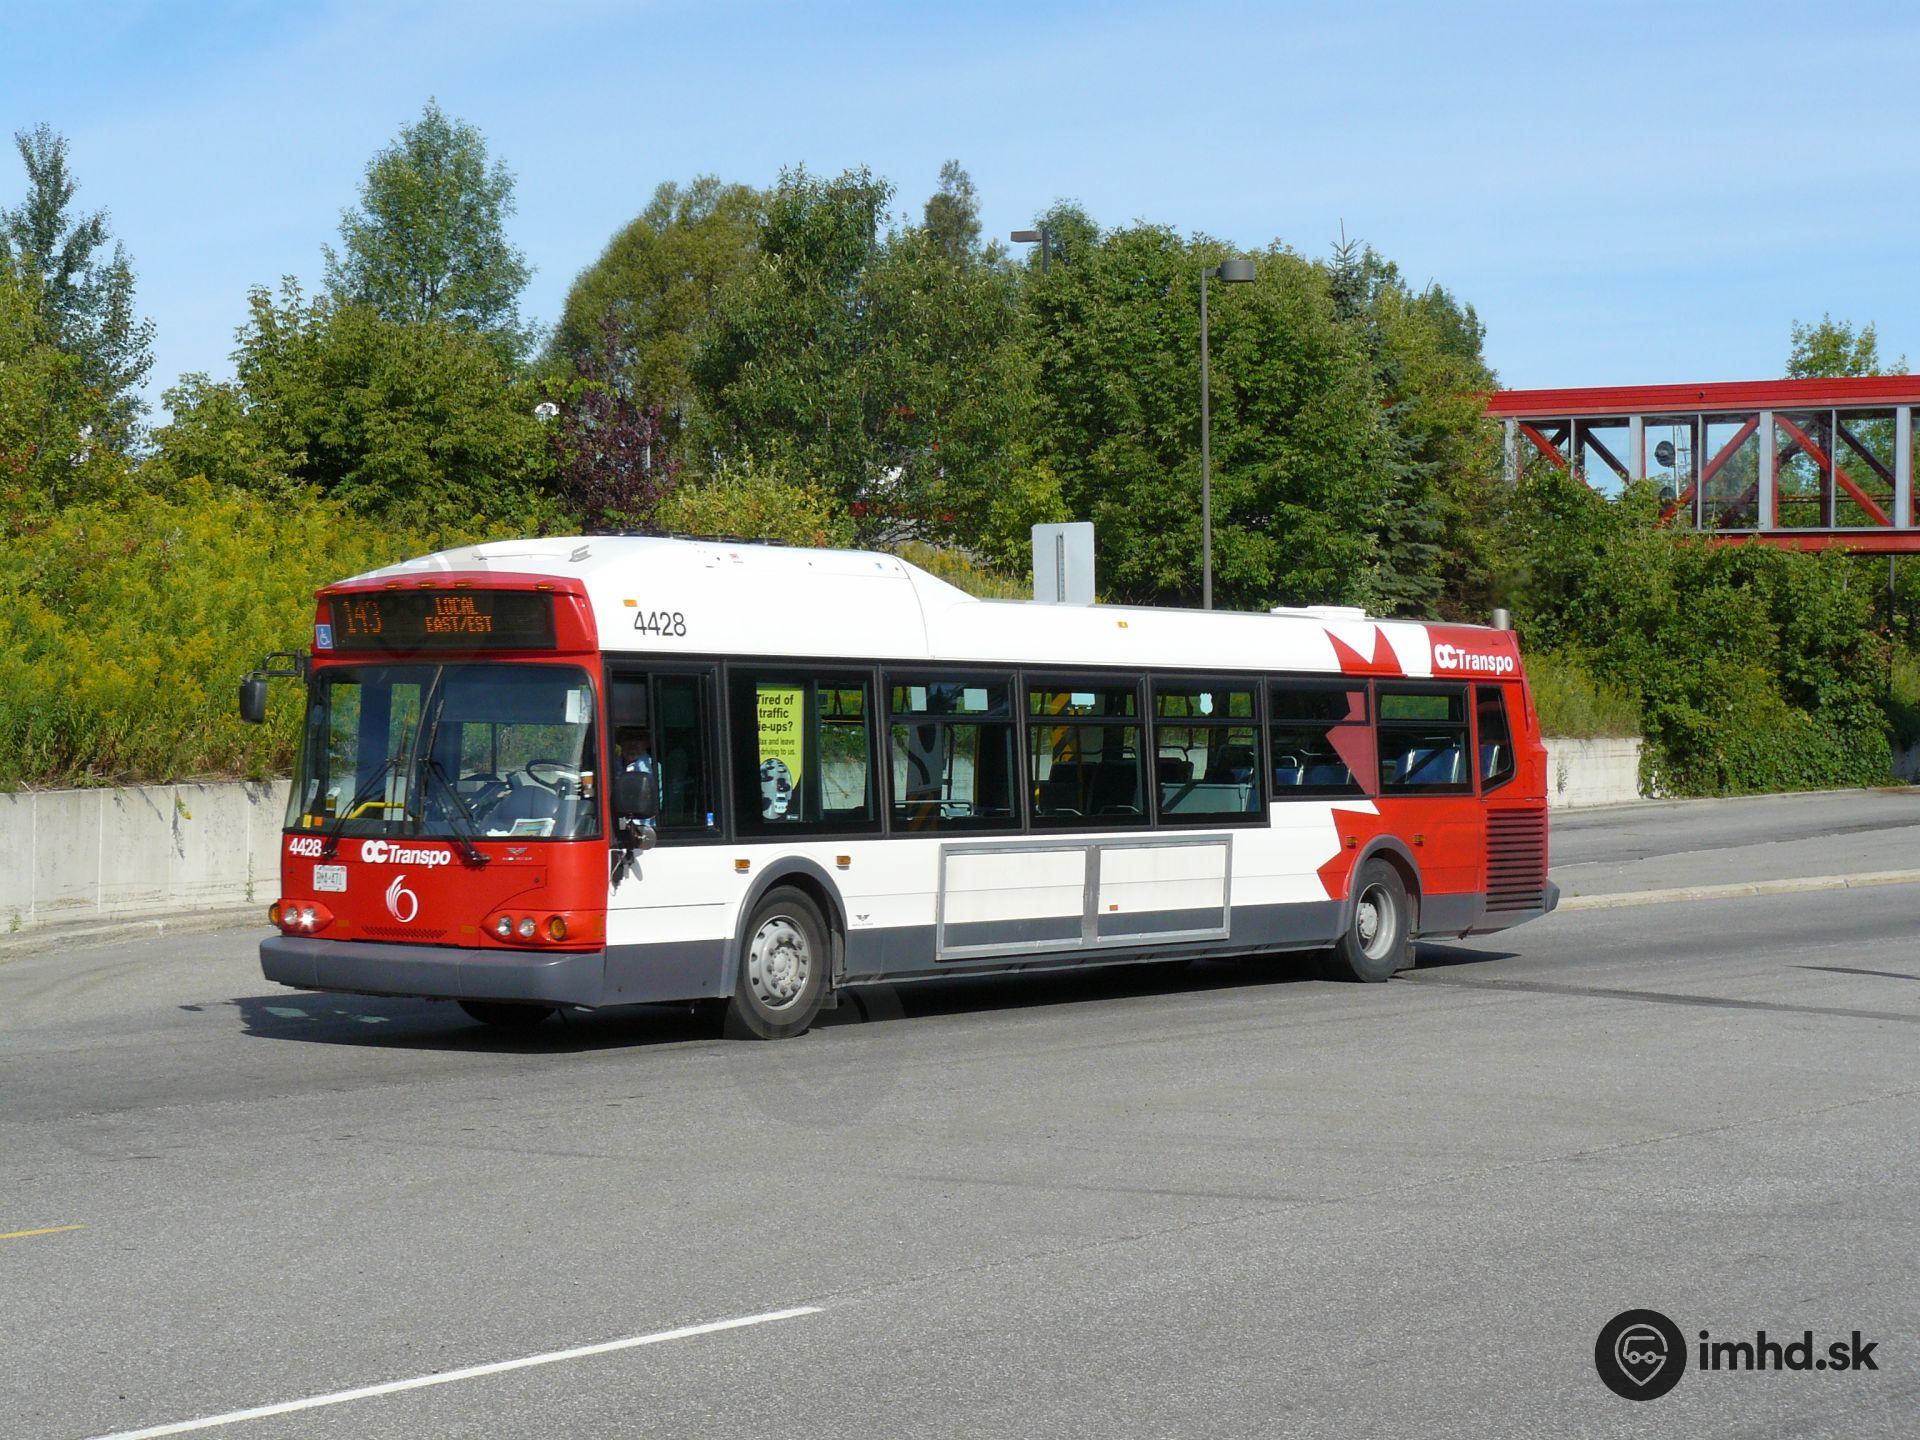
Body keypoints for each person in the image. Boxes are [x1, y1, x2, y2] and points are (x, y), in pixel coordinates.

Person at [616, 725, 659, 833]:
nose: (632, 744)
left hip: (643, 831)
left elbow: (656, 804)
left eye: (638, 739)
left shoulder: (653, 768)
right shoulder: (610, 765)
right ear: (620, 742)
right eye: (628, 738)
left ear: (647, 743)